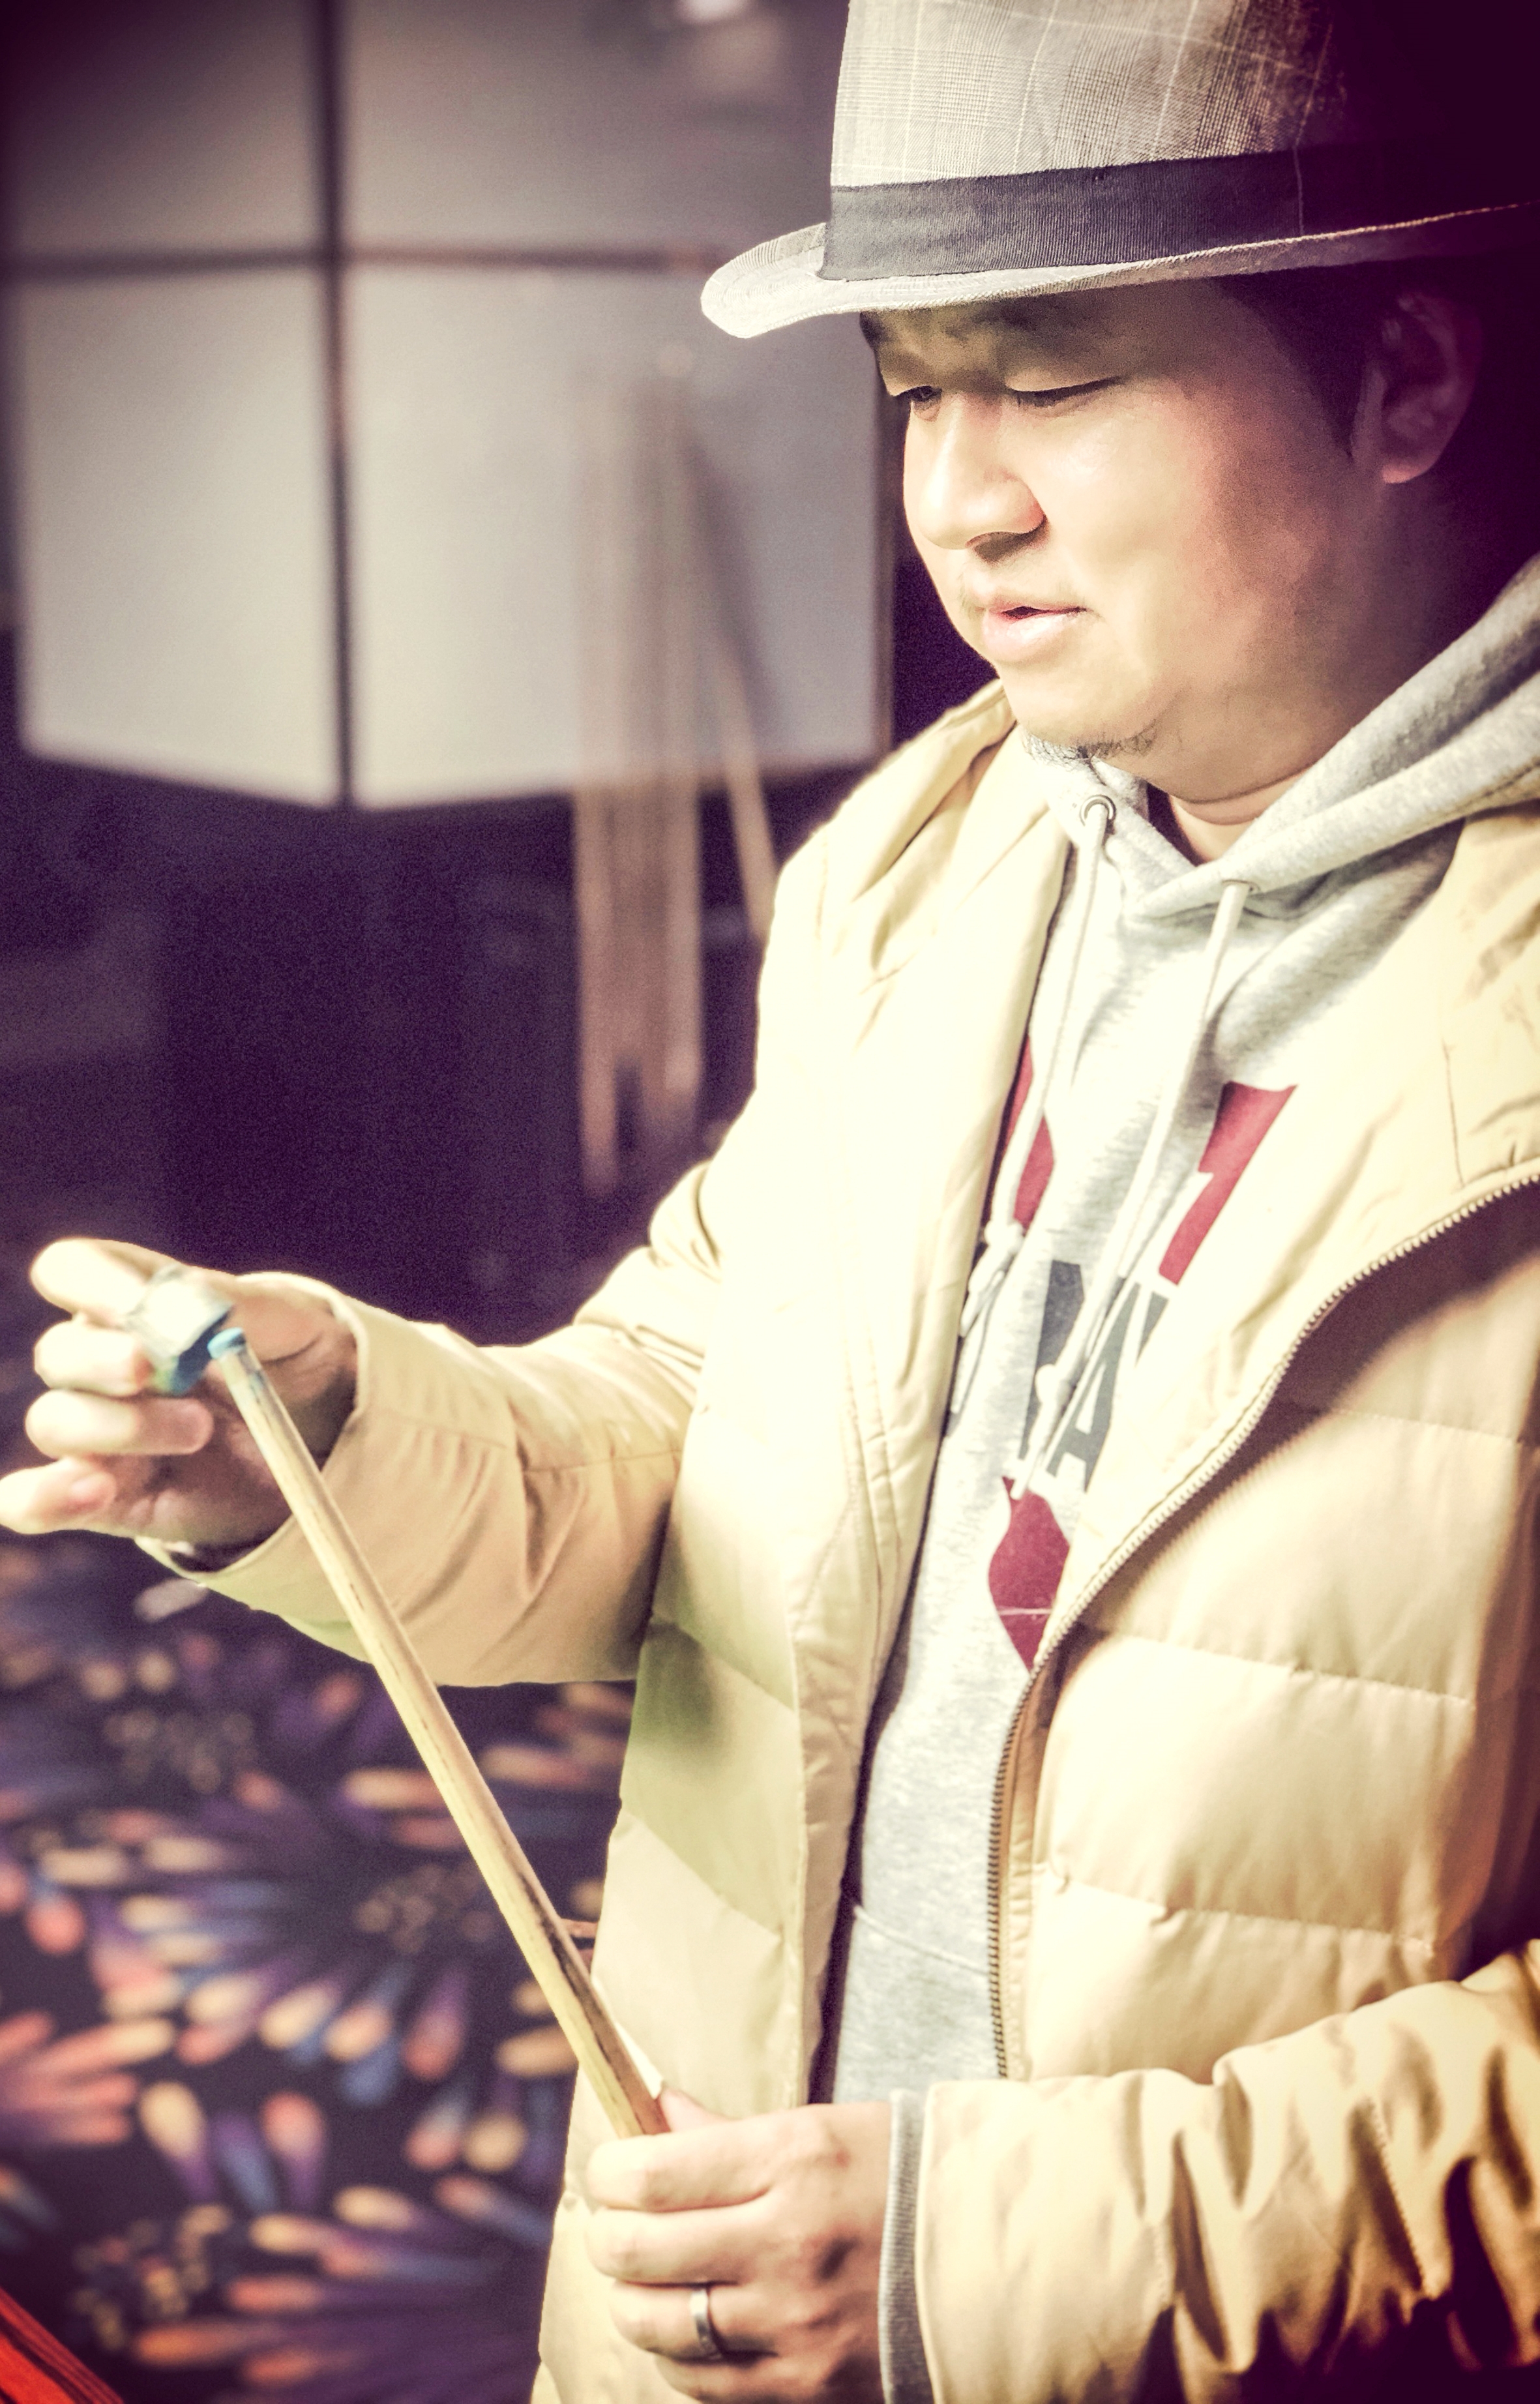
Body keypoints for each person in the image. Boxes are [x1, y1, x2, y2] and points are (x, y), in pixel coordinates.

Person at [8, 0, 1540, 2394]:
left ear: (1406, 377)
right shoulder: (929, 868)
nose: (959, 501)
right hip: (711, 2298)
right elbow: (688, 1435)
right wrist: (328, 1436)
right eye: (914, 392)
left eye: (1051, 381)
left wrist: (991, 2263)